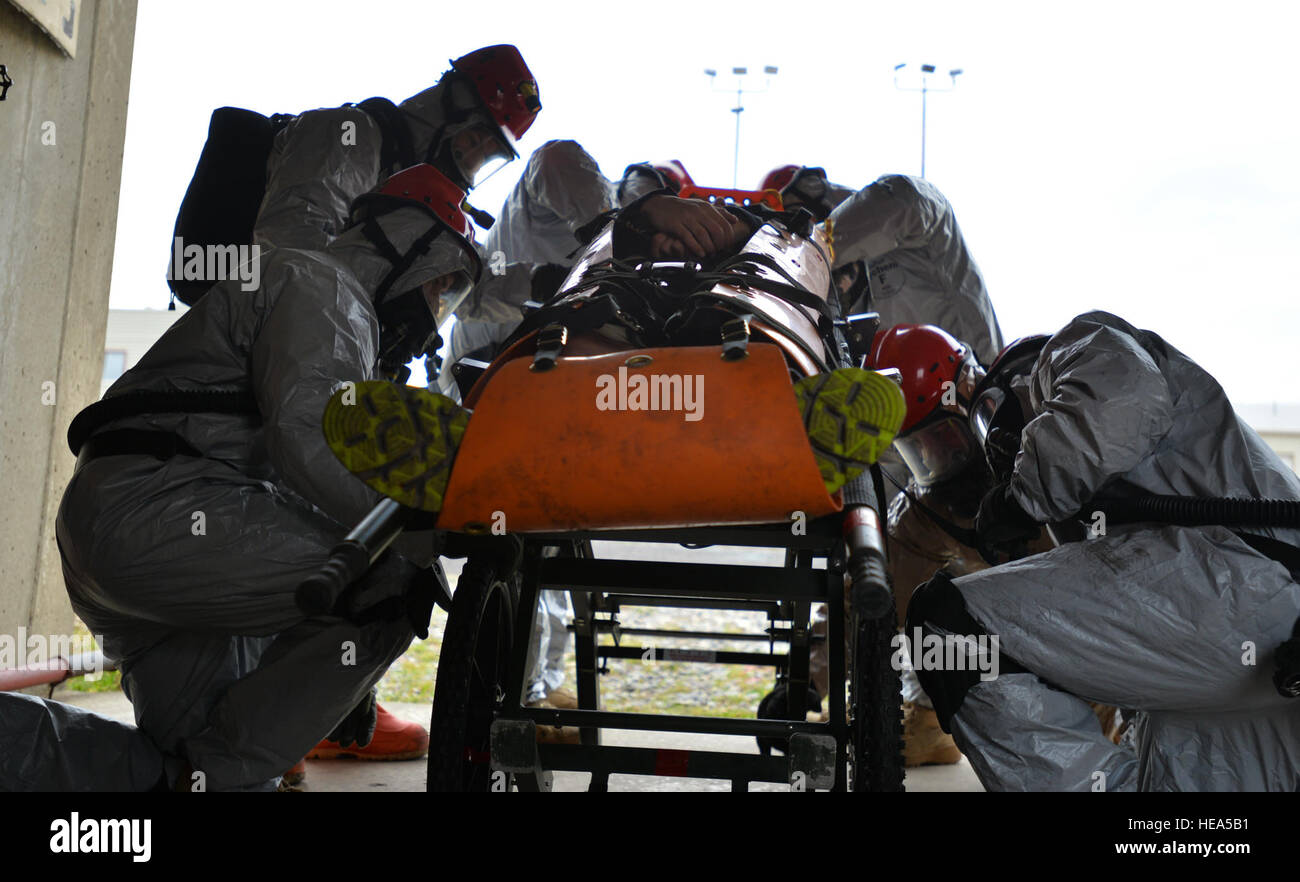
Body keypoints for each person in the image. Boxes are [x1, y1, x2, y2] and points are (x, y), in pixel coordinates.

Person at [54, 164, 483, 791]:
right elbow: (304, 437)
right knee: (393, 582)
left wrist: (332, 678)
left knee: (191, 773)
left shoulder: (301, 286)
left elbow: (282, 473)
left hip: (128, 528)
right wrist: (420, 538)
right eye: (440, 281)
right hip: (162, 513)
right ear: (406, 243)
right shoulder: (328, 290)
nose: (437, 307)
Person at [250, 44, 540, 769]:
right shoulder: (345, 135)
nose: (475, 163)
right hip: (270, 363)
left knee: (356, 537)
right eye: (477, 141)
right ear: (450, 105)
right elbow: (284, 252)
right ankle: (268, 731)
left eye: (492, 156)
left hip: (338, 365)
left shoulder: (425, 187)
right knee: (308, 532)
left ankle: (330, 713)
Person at [905, 310, 1300, 791]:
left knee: (950, 627)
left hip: (1231, 591)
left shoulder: (1076, 348)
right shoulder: (1127, 500)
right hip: (1264, 656)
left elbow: (1123, 402)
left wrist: (1017, 498)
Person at [436, 139, 618, 728]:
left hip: (537, 382)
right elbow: (560, 158)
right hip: (492, 379)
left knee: (548, 536)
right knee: (519, 537)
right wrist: (609, 231)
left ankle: (545, 686)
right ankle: (526, 696)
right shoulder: (562, 180)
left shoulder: (581, 236)